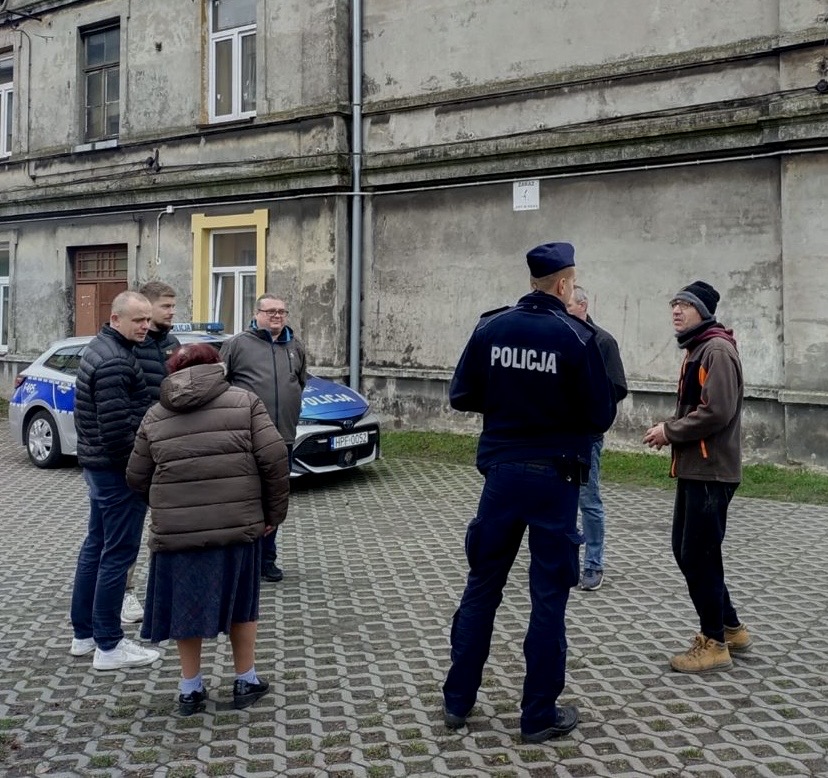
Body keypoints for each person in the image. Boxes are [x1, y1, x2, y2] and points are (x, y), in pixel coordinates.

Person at [442, 242, 617, 743]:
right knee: (547, 599)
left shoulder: (491, 327)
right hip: (556, 480)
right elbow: (600, 414)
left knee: (482, 587)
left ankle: (457, 700)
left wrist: (509, 400)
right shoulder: (576, 336)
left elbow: (462, 395)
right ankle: (538, 715)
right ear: (564, 285)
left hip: (501, 476)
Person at [126, 343, 290, 715]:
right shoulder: (245, 402)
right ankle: (245, 680)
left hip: (177, 534)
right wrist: (272, 514)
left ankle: (190, 690)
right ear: (217, 365)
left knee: (186, 608)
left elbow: (136, 476)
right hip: (237, 526)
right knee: (242, 606)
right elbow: (275, 459)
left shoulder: (155, 414)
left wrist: (169, 504)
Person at [643, 280, 751, 674]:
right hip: (697, 468)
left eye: (685, 305)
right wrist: (669, 428)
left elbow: (717, 412)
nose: (676, 310)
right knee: (691, 552)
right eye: (673, 303)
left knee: (698, 556)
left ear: (703, 311)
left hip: (712, 471)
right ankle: (730, 627)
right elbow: (699, 408)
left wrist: (670, 431)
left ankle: (714, 644)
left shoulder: (716, 350)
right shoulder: (698, 349)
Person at [69, 291, 161, 671]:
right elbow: (118, 432)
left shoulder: (103, 348)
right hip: (116, 471)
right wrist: (138, 474)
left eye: (147, 320)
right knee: (117, 555)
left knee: (97, 546)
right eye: (138, 320)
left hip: (99, 467)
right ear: (116, 318)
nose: (145, 327)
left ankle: (84, 634)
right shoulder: (113, 362)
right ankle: (109, 644)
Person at [220, 293, 307, 583]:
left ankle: (267, 559)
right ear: (256, 313)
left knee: (274, 501)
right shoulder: (237, 344)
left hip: (283, 437)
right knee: (245, 500)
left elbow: (300, 382)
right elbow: (220, 385)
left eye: (282, 311)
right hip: (246, 438)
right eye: (270, 311)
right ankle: (242, 559)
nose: (277, 316)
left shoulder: (295, 346)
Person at [120, 281, 181, 625]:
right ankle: (124, 593)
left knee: (168, 523)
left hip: (168, 447)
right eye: (167, 307)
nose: (172, 312)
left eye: (174, 306)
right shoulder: (131, 346)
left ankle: (164, 588)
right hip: (136, 450)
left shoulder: (172, 343)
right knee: (128, 527)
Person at [566, 285, 627, 591]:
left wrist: (593, 414)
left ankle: (593, 564)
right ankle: (563, 560)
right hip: (557, 437)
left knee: (588, 501)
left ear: (583, 306)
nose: (564, 313)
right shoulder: (559, 340)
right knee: (558, 499)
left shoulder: (603, 342)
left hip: (586, 438)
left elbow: (615, 389)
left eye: (569, 307)